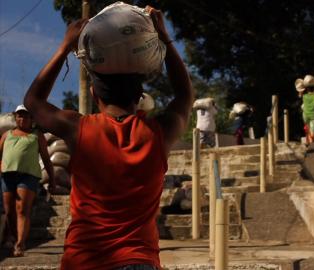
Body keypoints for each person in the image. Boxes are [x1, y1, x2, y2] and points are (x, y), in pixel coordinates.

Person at [24, 6, 193, 270]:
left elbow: (33, 102)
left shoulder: (78, 129)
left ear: (94, 94)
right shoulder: (158, 133)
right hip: (139, 261)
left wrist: (64, 47)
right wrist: (164, 37)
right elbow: (184, 96)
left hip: (84, 261)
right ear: (139, 97)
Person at [0, 105, 55, 257]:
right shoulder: (7, 135)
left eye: (25, 116)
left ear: (32, 119)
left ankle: (20, 244)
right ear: (15, 117)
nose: (22, 118)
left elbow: (46, 158)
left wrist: (52, 179)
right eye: (19, 115)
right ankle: (11, 236)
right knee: (9, 210)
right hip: (7, 176)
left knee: (22, 209)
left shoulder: (37, 135)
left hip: (28, 176)